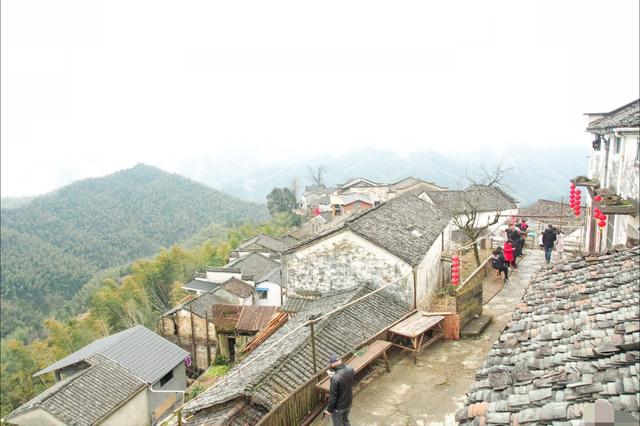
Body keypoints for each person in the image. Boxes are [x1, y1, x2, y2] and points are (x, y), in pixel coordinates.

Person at [324, 354, 355, 426]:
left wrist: (329, 410)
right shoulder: (350, 369)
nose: (330, 365)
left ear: (333, 364)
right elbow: (350, 381)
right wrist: (335, 375)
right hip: (348, 402)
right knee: (345, 421)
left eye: (331, 363)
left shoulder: (335, 378)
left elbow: (332, 397)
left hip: (339, 407)